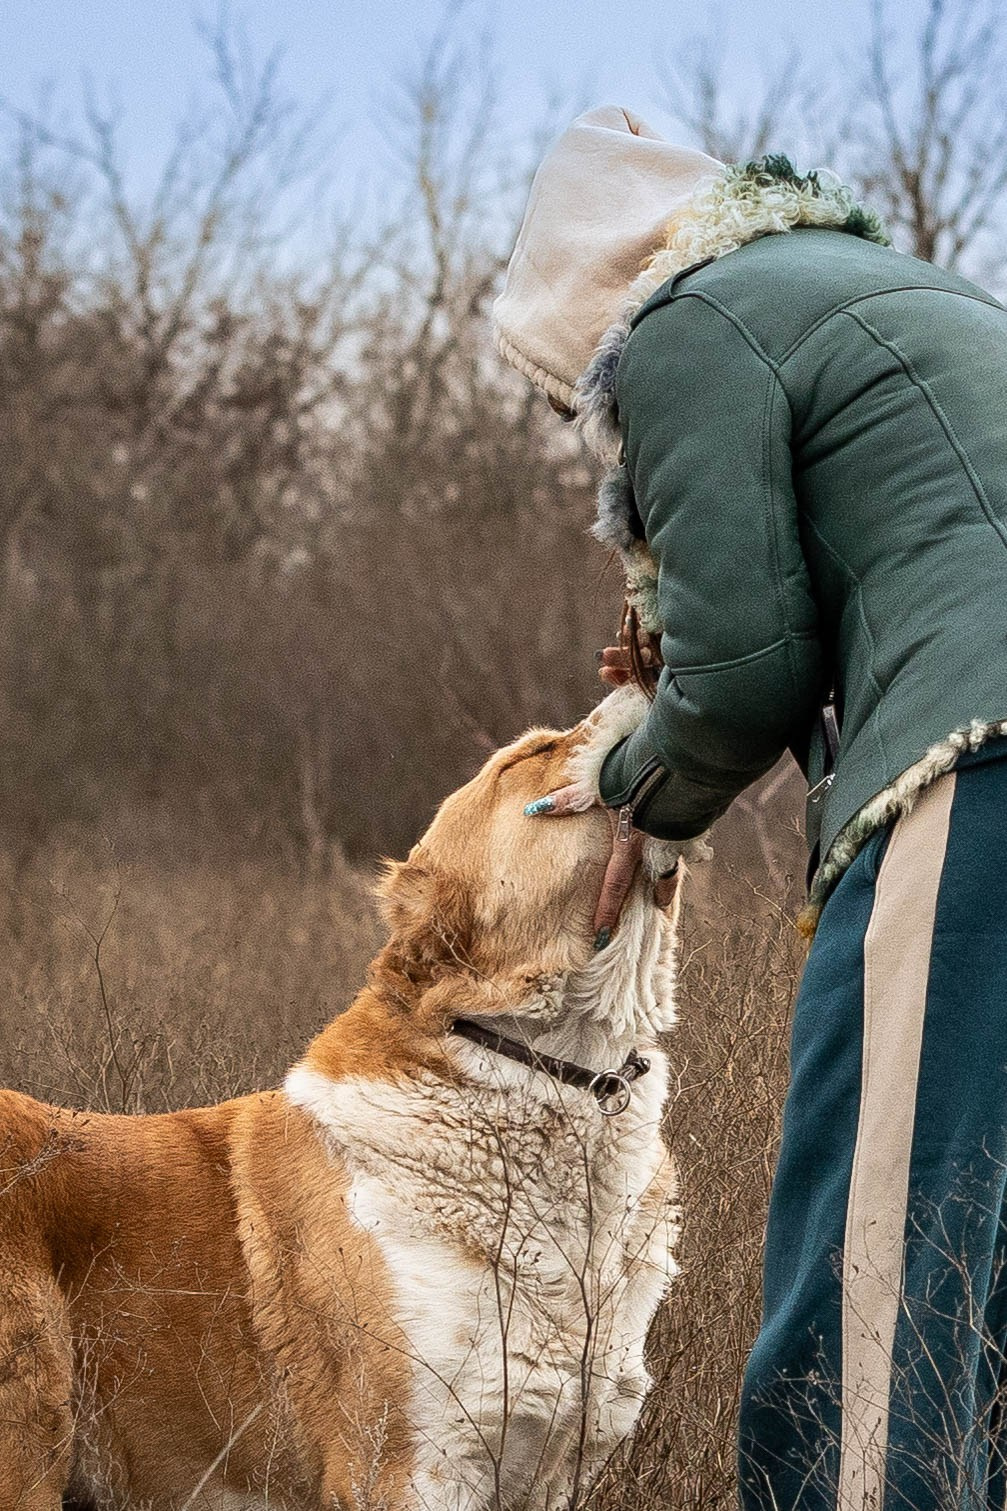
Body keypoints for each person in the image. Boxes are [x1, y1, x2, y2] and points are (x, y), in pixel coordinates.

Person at [494, 105, 1007, 1511]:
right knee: (992, 1298)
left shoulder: (690, 325)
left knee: (881, 1272)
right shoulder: (903, 289)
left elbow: (744, 663)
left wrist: (631, 790)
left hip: (982, 771)